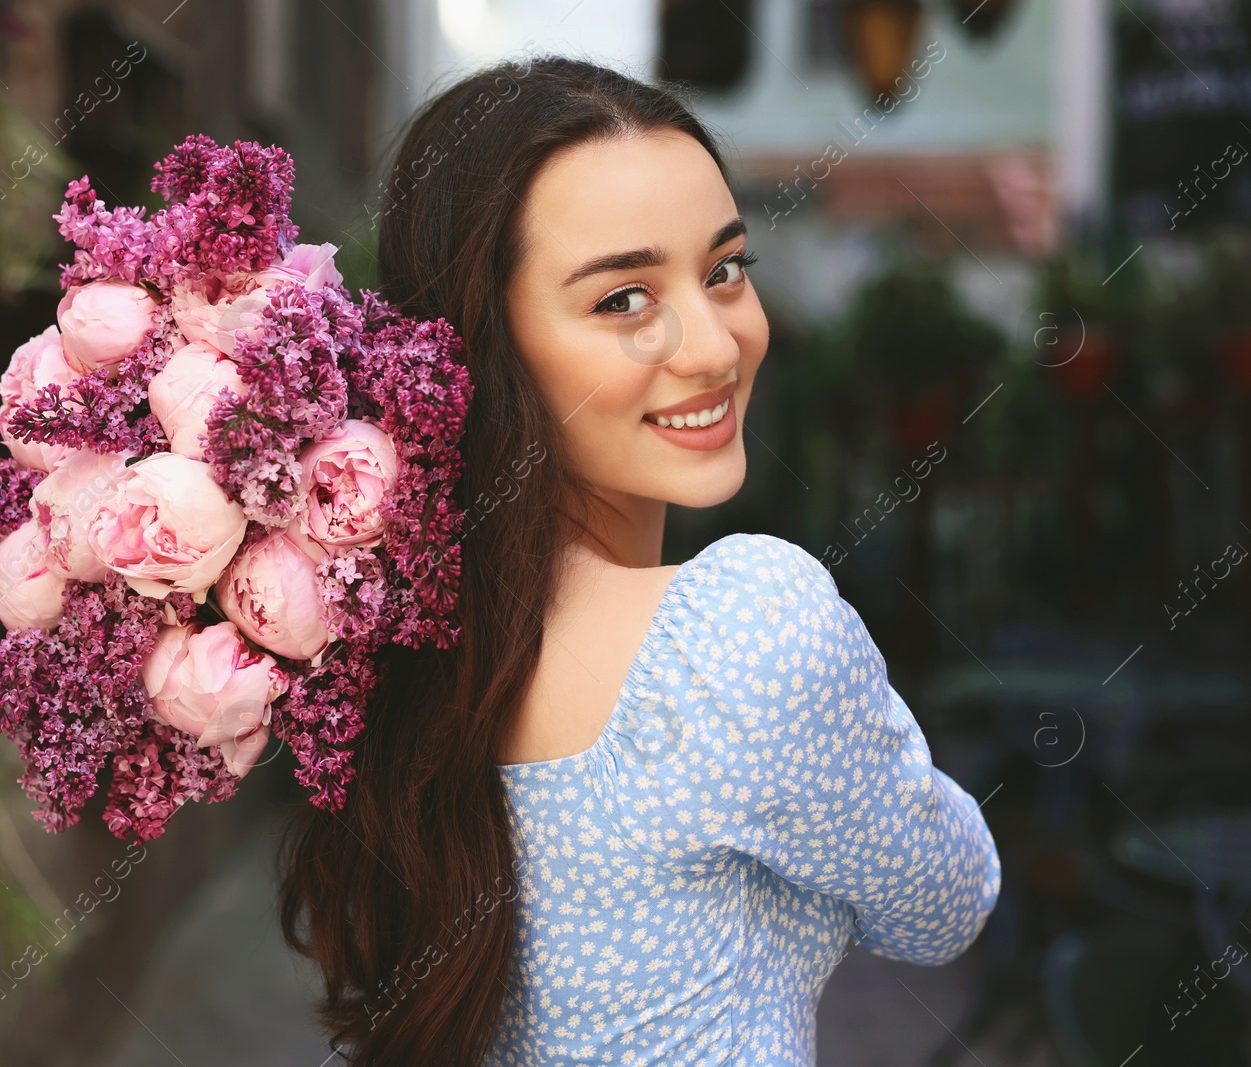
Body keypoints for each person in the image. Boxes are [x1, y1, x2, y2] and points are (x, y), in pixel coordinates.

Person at [277, 54, 1001, 1066]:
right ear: (484, 347)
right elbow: (946, 900)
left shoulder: (377, 641)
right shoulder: (744, 629)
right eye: (623, 298)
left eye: (724, 269)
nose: (712, 345)